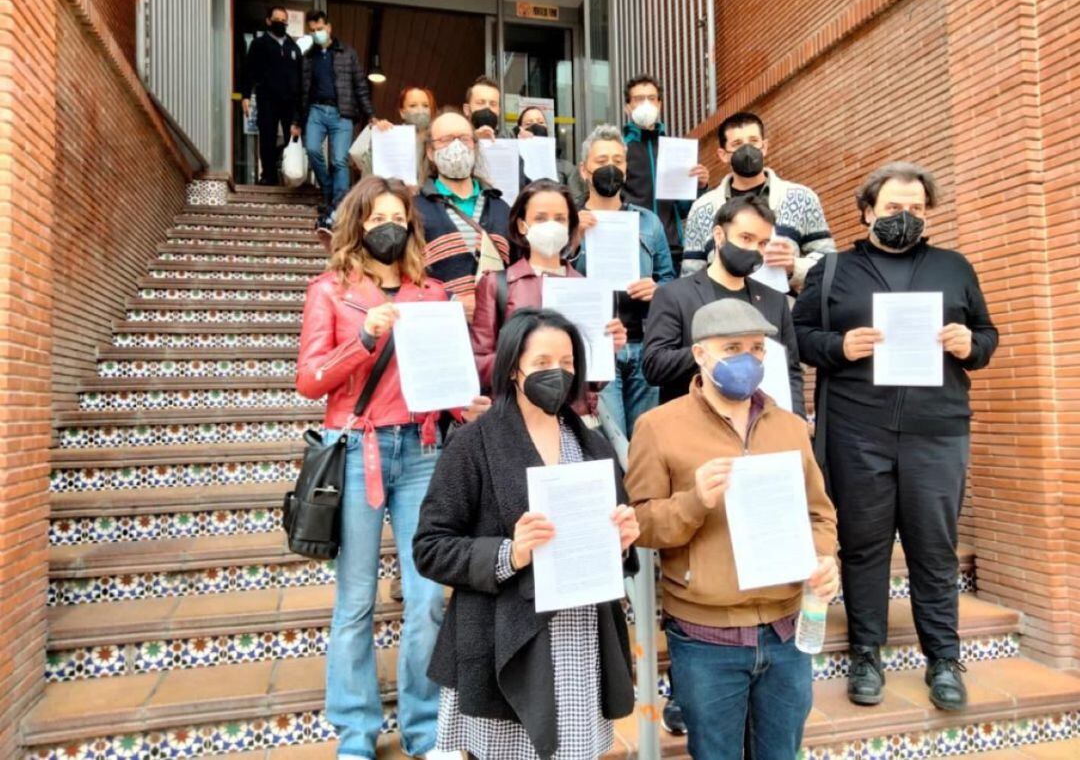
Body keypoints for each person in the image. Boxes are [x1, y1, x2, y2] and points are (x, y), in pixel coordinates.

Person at [793, 161, 998, 712]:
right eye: (892, 208)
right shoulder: (834, 270)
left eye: (915, 208)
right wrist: (841, 348)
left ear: (927, 214)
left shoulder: (954, 268)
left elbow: (987, 336)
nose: (903, 217)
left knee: (935, 549)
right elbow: (800, 337)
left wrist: (967, 345)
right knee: (863, 548)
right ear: (867, 212)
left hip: (937, 430)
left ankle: (945, 660)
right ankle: (865, 655)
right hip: (859, 431)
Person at [296, 176, 488, 760]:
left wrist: (467, 403)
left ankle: (425, 730)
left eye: (399, 218)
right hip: (356, 451)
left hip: (424, 451)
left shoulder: (431, 295)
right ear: (358, 223)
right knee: (355, 601)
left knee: (430, 594)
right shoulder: (329, 290)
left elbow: (440, 381)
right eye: (378, 216)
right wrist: (362, 337)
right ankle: (355, 733)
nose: (390, 226)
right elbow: (309, 381)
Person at [414, 307, 641, 760]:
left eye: (568, 363)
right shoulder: (472, 443)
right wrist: (509, 554)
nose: (557, 373)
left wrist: (621, 542)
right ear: (514, 367)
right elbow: (431, 547)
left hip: (578, 641)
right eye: (542, 363)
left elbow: (611, 541)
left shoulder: (593, 446)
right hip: (504, 643)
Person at [626, 298, 839, 760]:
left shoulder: (788, 427)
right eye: (733, 347)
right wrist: (693, 501)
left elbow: (819, 512)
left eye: (758, 348)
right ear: (700, 354)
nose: (748, 359)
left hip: (787, 630)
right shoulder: (658, 427)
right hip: (707, 638)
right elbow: (640, 524)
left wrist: (824, 557)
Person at [643, 195, 804, 412]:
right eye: (746, 238)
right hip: (696, 427)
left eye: (763, 243)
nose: (754, 250)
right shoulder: (674, 295)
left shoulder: (775, 300)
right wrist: (711, 351)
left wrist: (797, 425)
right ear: (719, 236)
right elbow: (654, 366)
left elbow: (791, 371)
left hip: (763, 427)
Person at [470, 179, 627, 392]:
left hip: (572, 414)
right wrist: (527, 362)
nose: (551, 225)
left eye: (560, 218)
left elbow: (594, 383)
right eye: (540, 218)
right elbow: (478, 365)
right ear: (522, 224)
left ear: (570, 225)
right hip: (516, 413)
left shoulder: (587, 289)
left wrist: (609, 350)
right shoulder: (497, 284)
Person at [571, 124, 676, 437]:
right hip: (597, 345)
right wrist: (573, 238)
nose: (611, 168)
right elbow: (554, 279)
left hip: (644, 343)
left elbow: (670, 279)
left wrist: (658, 290)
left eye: (618, 160)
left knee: (646, 440)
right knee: (611, 439)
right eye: (602, 160)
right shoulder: (570, 221)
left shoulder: (648, 222)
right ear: (584, 170)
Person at [681, 112, 835, 286]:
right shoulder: (702, 208)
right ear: (723, 155)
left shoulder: (801, 197)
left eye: (754, 141)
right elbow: (690, 275)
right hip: (723, 309)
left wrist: (794, 265)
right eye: (737, 144)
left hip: (786, 307)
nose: (747, 150)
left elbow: (829, 261)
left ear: (765, 146)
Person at [414, 109, 513, 321]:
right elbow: (404, 278)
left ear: (475, 147)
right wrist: (449, 302)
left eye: (464, 138)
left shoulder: (501, 208)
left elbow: (518, 270)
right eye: (446, 139)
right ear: (430, 152)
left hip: (499, 335)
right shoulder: (414, 210)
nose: (456, 146)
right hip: (443, 330)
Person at [297, 9, 384, 225]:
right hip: (316, 110)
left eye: (320, 28)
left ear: (329, 27)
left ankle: (340, 202)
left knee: (339, 159)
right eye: (313, 30)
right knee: (313, 149)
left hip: (341, 112)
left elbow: (360, 86)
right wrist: (297, 121)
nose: (317, 33)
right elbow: (302, 91)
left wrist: (371, 115)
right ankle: (328, 187)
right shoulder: (308, 58)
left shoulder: (348, 53)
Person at [620, 75, 709, 270]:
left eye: (651, 98)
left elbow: (684, 209)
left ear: (659, 104)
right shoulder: (619, 150)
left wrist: (699, 186)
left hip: (671, 247)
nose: (646, 104)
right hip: (632, 244)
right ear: (628, 107)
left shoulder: (675, 150)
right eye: (639, 99)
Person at [239, 5, 302, 186]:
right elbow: (249, 71)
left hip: (289, 101)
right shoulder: (259, 44)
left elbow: (300, 77)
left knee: (293, 139)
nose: (281, 24)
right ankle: (269, 175)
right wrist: (245, 95)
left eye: (284, 21)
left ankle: (291, 175)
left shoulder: (293, 47)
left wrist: (300, 104)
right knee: (267, 137)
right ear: (268, 21)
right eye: (277, 20)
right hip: (267, 98)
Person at [352, 85, 436, 184]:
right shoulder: (391, 136)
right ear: (402, 112)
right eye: (413, 105)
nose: (420, 110)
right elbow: (361, 161)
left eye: (425, 105)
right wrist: (379, 138)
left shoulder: (438, 139)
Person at [513, 105, 576, 188]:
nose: (535, 126)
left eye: (541, 122)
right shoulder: (513, 166)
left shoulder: (566, 168)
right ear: (520, 129)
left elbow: (576, 199)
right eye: (528, 123)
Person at [462, 74, 503, 141]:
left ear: (499, 111)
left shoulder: (508, 144)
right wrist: (475, 140)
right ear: (466, 109)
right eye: (480, 103)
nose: (487, 107)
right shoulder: (455, 142)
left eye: (493, 104)